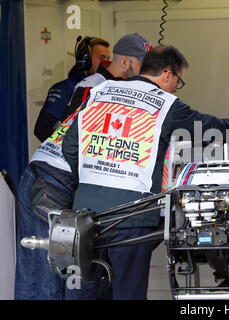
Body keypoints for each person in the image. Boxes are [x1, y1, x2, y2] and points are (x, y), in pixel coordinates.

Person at [61, 45, 229, 300]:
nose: (177, 86)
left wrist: (91, 181)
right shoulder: (166, 105)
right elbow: (203, 126)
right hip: (131, 216)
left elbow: (70, 146)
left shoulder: (100, 92)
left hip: (85, 212)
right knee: (127, 291)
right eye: (179, 80)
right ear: (167, 73)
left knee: (83, 289)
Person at [14, 34, 152, 300]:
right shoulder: (94, 86)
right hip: (51, 179)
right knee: (49, 270)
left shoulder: (110, 87)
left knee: (37, 269)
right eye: (140, 64)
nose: (144, 73)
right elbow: (72, 135)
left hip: (48, 175)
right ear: (125, 61)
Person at [34, 36, 110, 142]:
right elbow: (42, 129)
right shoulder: (66, 88)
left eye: (108, 59)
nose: (107, 63)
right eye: (101, 58)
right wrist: (70, 152)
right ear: (85, 59)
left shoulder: (107, 87)